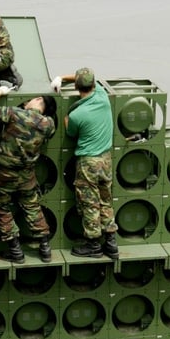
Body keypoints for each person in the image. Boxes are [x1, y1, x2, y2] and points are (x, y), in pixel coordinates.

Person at [0, 86, 57, 263]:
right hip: (26, 175)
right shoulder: (48, 124)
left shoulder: (14, 114)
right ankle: (45, 247)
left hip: (3, 174)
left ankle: (15, 250)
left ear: (38, 99)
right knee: (32, 207)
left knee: (1, 208)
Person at [51, 68, 118, 259]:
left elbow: (71, 133)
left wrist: (65, 119)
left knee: (89, 203)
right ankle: (111, 243)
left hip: (88, 162)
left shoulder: (77, 114)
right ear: (93, 84)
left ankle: (93, 245)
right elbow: (88, 78)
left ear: (76, 86)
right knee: (105, 199)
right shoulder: (102, 96)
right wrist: (65, 77)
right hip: (105, 160)